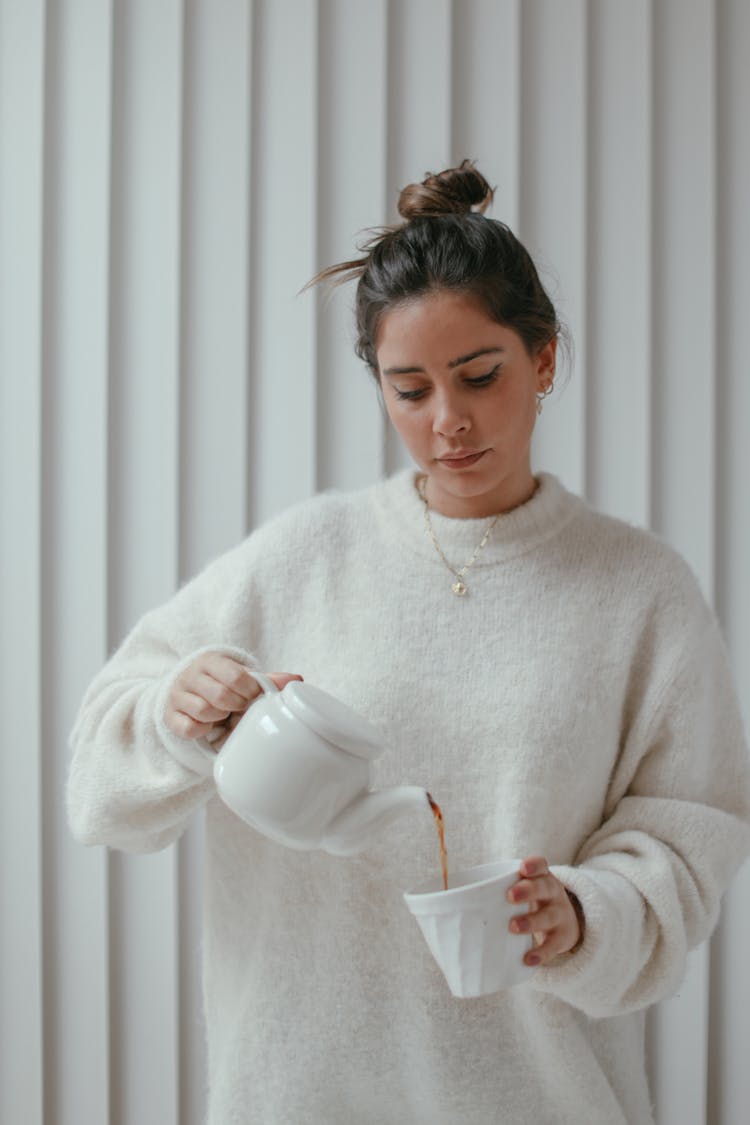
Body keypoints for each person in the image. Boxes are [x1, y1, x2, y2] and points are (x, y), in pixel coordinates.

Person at [67, 160, 750, 1125]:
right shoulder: (304, 556)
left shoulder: (642, 593)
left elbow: (690, 837)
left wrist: (587, 911)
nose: (448, 422)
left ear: (545, 358)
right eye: (409, 388)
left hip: (541, 1101)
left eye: (480, 375)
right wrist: (177, 708)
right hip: (297, 1098)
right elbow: (100, 787)